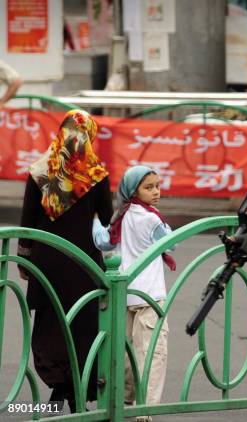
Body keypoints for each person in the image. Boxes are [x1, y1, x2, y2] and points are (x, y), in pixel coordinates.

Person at [17, 109, 113, 412]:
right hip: (84, 262)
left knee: (50, 321)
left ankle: (57, 390)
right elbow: (108, 218)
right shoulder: (96, 173)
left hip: (47, 261)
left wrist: (24, 259)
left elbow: (27, 221)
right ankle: (77, 391)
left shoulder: (39, 170)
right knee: (83, 324)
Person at [93, 165, 174, 422]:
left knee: (127, 352)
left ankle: (124, 399)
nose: (156, 192)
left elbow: (103, 241)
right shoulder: (152, 218)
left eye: (157, 186)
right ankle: (145, 408)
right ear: (133, 190)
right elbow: (172, 243)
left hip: (127, 294)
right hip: (151, 295)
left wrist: (94, 221)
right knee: (151, 353)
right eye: (148, 187)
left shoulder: (122, 216)